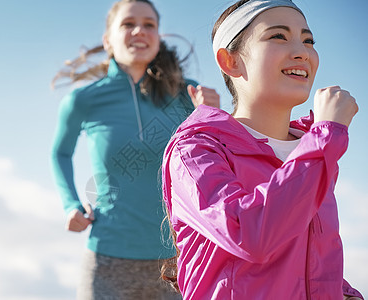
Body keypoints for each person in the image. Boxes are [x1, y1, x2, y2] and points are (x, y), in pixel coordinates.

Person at [161, 0, 364, 299]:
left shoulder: (311, 147)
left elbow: (303, 259)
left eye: (308, 41)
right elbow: (249, 233)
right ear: (230, 61)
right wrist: (326, 137)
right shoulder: (194, 150)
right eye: (278, 36)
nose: (302, 52)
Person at [51, 0, 219, 299]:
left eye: (149, 24)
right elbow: (60, 153)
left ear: (158, 37)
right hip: (107, 259)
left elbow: (216, 162)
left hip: (178, 262)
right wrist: (71, 205)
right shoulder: (84, 100)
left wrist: (213, 117)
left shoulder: (189, 95)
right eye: (128, 24)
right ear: (108, 40)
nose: (140, 30)